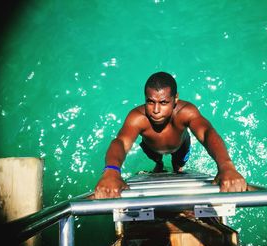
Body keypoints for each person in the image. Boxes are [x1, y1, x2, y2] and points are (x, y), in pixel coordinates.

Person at [94, 72, 247, 199]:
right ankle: (159, 165)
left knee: (178, 166)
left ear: (176, 99)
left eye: (163, 102)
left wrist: (226, 166)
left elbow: (206, 133)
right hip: (152, 148)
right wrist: (112, 171)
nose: (156, 110)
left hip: (180, 146)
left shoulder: (185, 112)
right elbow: (121, 142)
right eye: (150, 102)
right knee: (157, 162)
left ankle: (176, 169)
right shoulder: (138, 117)